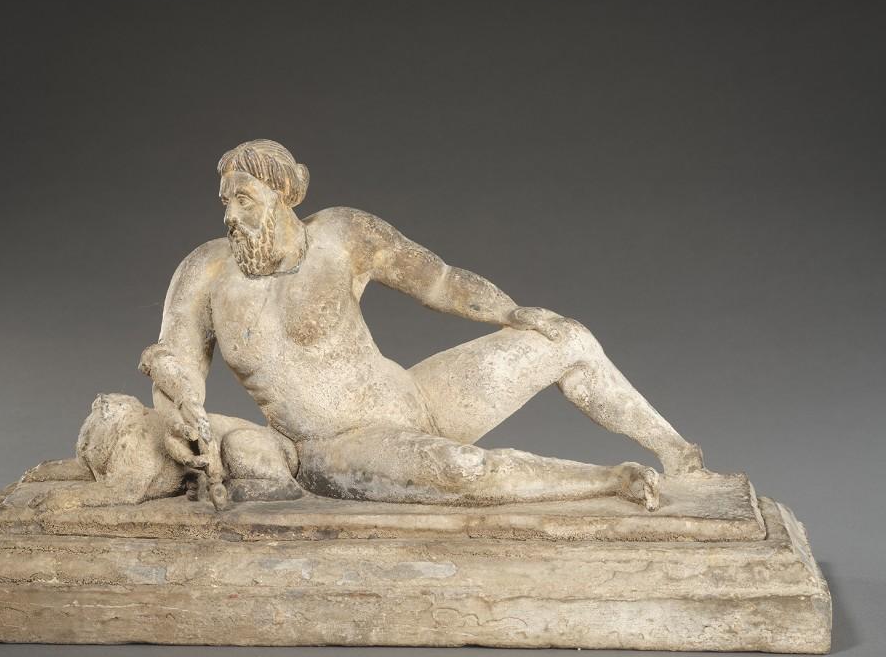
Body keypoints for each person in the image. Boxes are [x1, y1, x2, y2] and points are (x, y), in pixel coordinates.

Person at [120, 138, 710, 513]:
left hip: (417, 395)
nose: (230, 214)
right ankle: (611, 481)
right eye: (224, 201)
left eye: (244, 199)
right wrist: (178, 421)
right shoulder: (205, 272)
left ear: (284, 193)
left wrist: (509, 312)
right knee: (463, 470)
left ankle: (678, 455)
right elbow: (175, 366)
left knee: (565, 337)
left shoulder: (343, 234)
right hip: (337, 447)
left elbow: (439, 280)